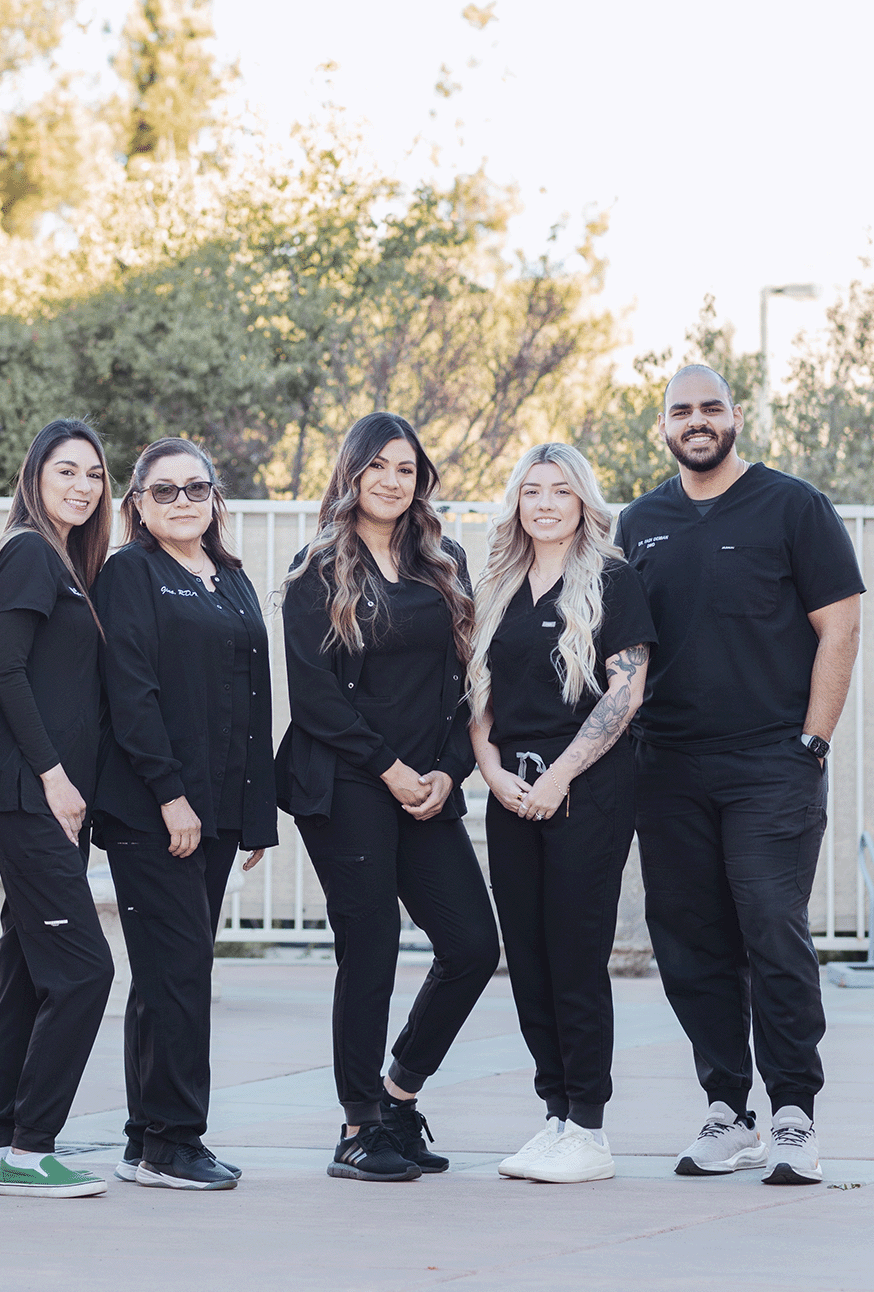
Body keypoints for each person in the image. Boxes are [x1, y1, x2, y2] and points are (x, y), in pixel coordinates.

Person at [614, 364, 864, 1185]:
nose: (697, 420)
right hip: (669, 766)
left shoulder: (795, 506)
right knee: (689, 943)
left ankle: (794, 1113)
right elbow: (623, 653)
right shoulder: (639, 522)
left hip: (772, 765)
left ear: (736, 416)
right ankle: (730, 1110)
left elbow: (841, 629)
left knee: (771, 928)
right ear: (663, 426)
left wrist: (812, 744)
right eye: (681, 410)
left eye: (710, 407)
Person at [278, 412, 500, 1183]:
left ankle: (398, 1095)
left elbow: (463, 681)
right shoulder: (316, 570)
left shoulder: (446, 561)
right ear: (352, 472)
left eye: (405, 469)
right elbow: (315, 699)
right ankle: (357, 1126)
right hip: (343, 781)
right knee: (369, 947)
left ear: (420, 480)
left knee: (473, 944)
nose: (391, 480)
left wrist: (446, 771)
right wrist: (390, 769)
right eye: (377, 466)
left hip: (428, 782)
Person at [467, 443, 656, 1184]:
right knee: (530, 960)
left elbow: (625, 695)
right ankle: (555, 1115)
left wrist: (561, 776)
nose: (545, 503)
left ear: (583, 503)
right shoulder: (498, 585)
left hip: (587, 791)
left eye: (561, 491)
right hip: (510, 794)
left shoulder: (614, 579)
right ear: (517, 502)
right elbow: (479, 696)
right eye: (532, 491)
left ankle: (590, 1129)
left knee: (576, 957)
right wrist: (490, 772)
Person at [92, 438, 277, 1193]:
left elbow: (254, 701)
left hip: (219, 813)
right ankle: (175, 1142)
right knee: (179, 976)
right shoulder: (129, 573)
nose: (180, 501)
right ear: (137, 503)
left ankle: (146, 1139)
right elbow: (129, 693)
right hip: (155, 810)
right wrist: (171, 796)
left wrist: (253, 814)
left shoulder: (229, 577)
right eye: (162, 491)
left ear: (214, 497)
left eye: (194, 488)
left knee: (168, 974)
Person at [0, 419, 115, 1199]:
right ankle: (34, 1148)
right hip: (33, 796)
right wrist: (57, 778)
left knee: (27, 967)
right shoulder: (31, 552)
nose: (81, 486)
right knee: (86, 970)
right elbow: (8, 673)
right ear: (36, 476)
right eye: (66, 471)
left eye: (93, 475)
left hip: (48, 798)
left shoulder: (66, 562)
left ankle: (1, 1141)